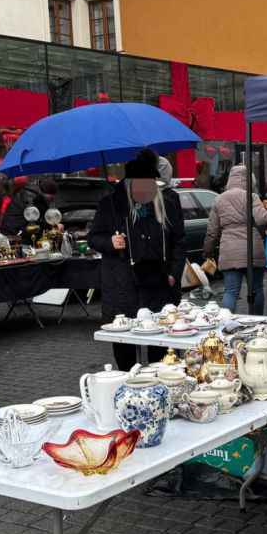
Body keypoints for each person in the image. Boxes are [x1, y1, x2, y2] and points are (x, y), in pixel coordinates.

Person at [87, 151, 186, 370]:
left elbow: (178, 241)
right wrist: (110, 242)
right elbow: (94, 238)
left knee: (162, 351)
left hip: (159, 286)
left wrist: (173, 273)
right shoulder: (110, 205)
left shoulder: (166, 203)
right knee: (125, 352)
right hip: (123, 288)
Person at [203, 164, 267, 315]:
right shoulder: (251, 196)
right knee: (257, 288)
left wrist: (208, 251)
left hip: (229, 250)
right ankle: (257, 322)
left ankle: (226, 324)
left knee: (231, 292)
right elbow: (262, 220)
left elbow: (212, 231)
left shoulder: (219, 200)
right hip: (252, 248)